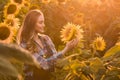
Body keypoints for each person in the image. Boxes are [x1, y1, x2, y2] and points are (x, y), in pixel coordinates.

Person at [17, 9, 78, 80]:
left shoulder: (46, 39)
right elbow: (44, 64)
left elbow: (57, 62)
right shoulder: (24, 44)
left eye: (43, 22)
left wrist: (71, 48)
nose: (44, 25)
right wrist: (66, 49)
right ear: (32, 24)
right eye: (40, 22)